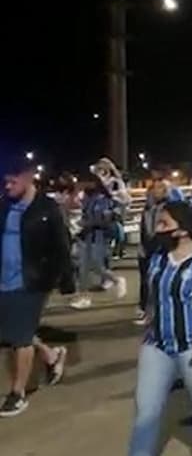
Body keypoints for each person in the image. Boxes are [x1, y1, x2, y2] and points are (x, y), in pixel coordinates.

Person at [128, 201, 192, 456]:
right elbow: (153, 296)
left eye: (164, 223)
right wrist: (150, 321)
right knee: (146, 409)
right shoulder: (158, 259)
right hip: (157, 345)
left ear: (183, 229)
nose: (158, 228)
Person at [0, 158, 71, 417]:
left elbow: (62, 245)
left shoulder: (47, 208)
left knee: (19, 338)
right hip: (3, 281)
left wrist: (64, 280)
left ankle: (17, 393)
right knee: (12, 331)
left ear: (29, 176)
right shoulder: (4, 205)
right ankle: (51, 356)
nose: (7, 185)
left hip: (31, 282)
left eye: (12, 180)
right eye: (5, 180)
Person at [71, 174, 126, 309]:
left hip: (98, 236)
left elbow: (103, 220)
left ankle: (115, 280)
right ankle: (84, 296)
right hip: (86, 236)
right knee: (83, 267)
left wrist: (84, 224)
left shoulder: (102, 200)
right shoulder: (87, 198)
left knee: (95, 265)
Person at [134, 180, 172, 325]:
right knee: (145, 281)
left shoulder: (168, 208)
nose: (153, 191)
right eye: (152, 188)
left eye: (158, 188)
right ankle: (145, 310)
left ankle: (154, 313)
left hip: (160, 249)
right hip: (146, 249)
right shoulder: (148, 208)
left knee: (156, 282)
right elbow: (144, 229)